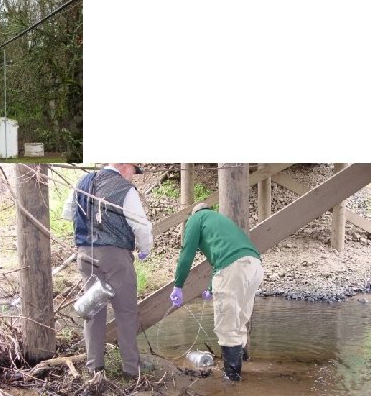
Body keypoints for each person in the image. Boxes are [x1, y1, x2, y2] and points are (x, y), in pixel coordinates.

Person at [62, 163, 153, 378]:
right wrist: (145, 248)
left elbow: (67, 213)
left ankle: (95, 368)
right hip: (115, 257)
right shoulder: (124, 189)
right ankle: (132, 370)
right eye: (133, 170)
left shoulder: (82, 181)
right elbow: (141, 225)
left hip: (85, 253)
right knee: (126, 313)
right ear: (122, 165)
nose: (134, 176)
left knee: (93, 311)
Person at [170, 202, 264, 381]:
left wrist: (178, 285)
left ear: (194, 212)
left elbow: (186, 253)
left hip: (233, 268)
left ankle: (232, 379)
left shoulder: (196, 218)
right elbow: (222, 254)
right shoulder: (220, 220)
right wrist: (212, 288)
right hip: (255, 266)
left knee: (226, 324)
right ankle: (243, 365)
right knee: (239, 319)